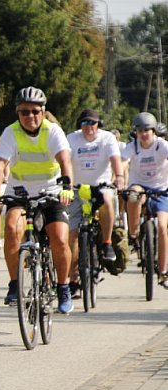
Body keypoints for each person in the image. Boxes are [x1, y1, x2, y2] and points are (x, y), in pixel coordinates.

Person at [0, 86, 75, 314]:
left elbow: (65, 161)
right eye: (24, 112)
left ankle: (63, 287)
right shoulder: (11, 132)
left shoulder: (52, 131)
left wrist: (66, 187)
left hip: (52, 190)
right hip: (20, 190)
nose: (30, 117)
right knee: (11, 227)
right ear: (17, 113)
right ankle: (15, 284)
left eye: (35, 111)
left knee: (59, 239)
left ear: (43, 111)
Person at [66, 109, 124, 294]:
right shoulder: (72, 139)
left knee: (107, 199)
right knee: (72, 234)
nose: (88, 127)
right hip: (77, 189)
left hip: (101, 185)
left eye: (92, 123)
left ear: (98, 124)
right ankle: (73, 278)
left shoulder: (107, 138)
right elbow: (64, 161)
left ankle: (106, 243)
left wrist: (120, 176)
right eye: (84, 123)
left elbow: (115, 159)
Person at [122, 112, 168, 288]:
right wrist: (120, 175)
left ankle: (163, 271)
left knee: (163, 227)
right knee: (133, 195)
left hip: (161, 190)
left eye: (147, 130)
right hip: (140, 185)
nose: (144, 133)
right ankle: (133, 234)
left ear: (153, 131)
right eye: (140, 130)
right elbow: (123, 161)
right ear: (136, 132)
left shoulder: (161, 145)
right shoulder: (132, 147)